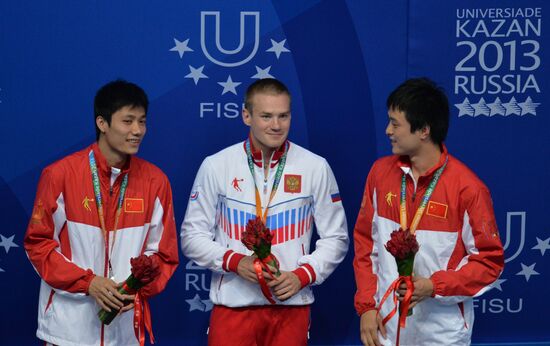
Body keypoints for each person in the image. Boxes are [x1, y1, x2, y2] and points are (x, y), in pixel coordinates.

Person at [181, 78, 349, 345]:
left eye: (283, 116)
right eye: (266, 116)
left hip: (291, 306)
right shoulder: (216, 165)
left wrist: (302, 276)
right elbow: (191, 237)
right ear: (246, 116)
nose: (276, 125)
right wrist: (236, 262)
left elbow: (336, 238)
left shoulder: (315, 167)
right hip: (233, 308)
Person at [24, 80, 179, 346]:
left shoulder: (156, 181)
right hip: (68, 331)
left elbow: (164, 255)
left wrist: (136, 287)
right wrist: (89, 283)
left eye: (142, 122)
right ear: (102, 123)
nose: (137, 131)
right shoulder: (59, 175)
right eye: (127, 121)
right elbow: (38, 245)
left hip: (127, 332)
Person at [353, 78, 504, 346]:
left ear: (423, 130)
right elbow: (366, 244)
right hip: (385, 327)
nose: (388, 130)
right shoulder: (379, 173)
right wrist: (367, 307)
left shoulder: (468, 189)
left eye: (395, 123)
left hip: (441, 333)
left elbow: (489, 263)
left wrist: (435, 286)